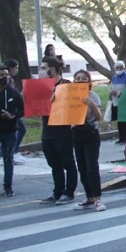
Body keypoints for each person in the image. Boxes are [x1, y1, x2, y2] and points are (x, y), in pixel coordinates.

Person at [39, 57, 79, 204]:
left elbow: (72, 107)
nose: (41, 71)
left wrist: (59, 96)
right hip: (47, 131)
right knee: (54, 164)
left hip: (62, 131)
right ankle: (57, 191)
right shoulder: (42, 86)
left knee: (67, 162)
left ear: (53, 69)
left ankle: (69, 192)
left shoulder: (66, 85)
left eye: (44, 68)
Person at [68, 70, 105, 211]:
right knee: (82, 167)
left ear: (89, 82)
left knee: (91, 166)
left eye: (83, 79)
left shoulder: (93, 96)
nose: (80, 81)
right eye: (77, 78)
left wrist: (92, 105)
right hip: (76, 132)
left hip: (90, 132)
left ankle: (98, 198)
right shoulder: (70, 96)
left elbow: (98, 117)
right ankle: (89, 196)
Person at [0, 64, 24, 197]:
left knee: (8, 158)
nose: (4, 77)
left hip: (9, 130)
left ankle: (7, 186)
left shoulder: (13, 92)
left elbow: (22, 110)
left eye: (6, 75)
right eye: (1, 75)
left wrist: (13, 116)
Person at [3, 59, 26, 165]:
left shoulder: (10, 81)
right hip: (9, 113)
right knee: (21, 129)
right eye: (16, 67)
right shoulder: (8, 81)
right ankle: (11, 152)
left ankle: (11, 152)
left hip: (12, 113)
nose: (17, 70)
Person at [109, 60, 126, 144]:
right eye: (117, 68)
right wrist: (111, 92)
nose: (119, 69)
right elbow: (111, 87)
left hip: (125, 102)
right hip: (116, 102)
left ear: (124, 67)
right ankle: (121, 138)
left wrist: (121, 92)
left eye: (120, 67)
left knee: (125, 121)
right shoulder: (114, 77)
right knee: (119, 121)